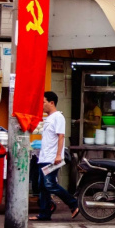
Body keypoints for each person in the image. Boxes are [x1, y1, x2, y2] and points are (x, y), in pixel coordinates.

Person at [30, 91, 79, 221]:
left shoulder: (58, 117)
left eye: (43, 103)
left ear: (51, 103)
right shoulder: (48, 118)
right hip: (44, 158)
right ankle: (44, 214)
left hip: (53, 159)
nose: (42, 106)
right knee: (42, 186)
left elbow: (61, 136)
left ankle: (73, 203)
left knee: (49, 184)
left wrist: (58, 155)